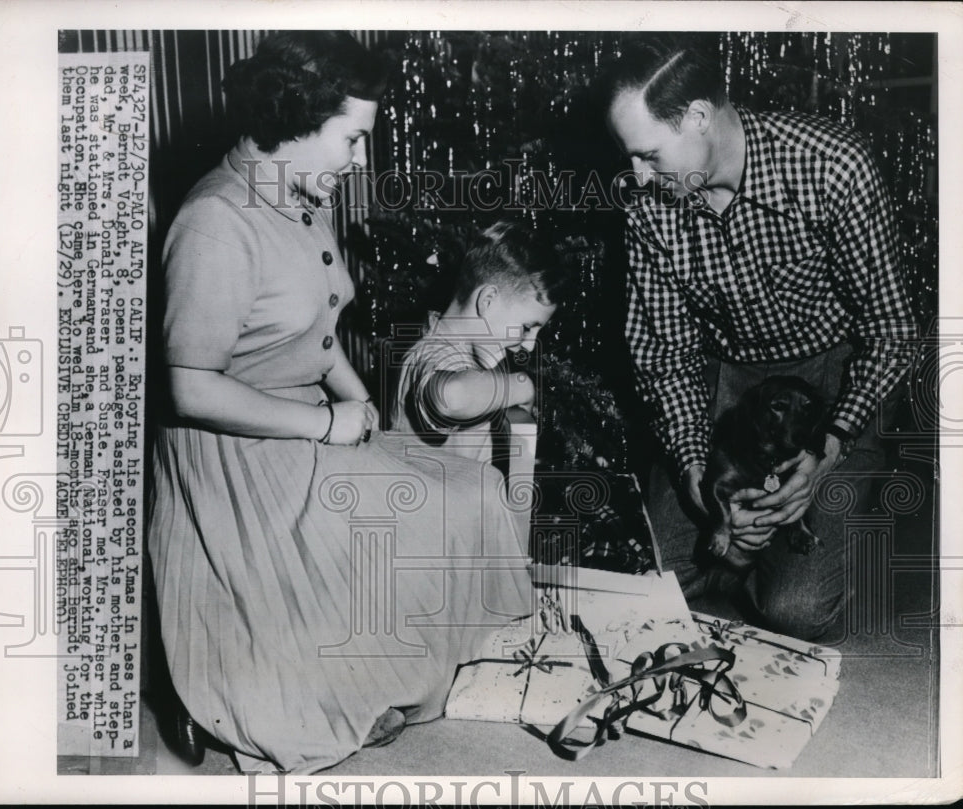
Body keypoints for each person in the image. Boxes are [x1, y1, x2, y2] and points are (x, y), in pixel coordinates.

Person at [147, 31, 531, 775]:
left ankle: (405, 667)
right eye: (352, 139)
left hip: (301, 421)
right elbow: (189, 386)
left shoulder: (293, 193)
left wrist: (362, 407)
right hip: (234, 453)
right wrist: (328, 424)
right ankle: (200, 684)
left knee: (466, 487)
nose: (359, 160)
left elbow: (318, 338)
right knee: (398, 508)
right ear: (295, 119)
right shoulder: (213, 225)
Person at [597, 35, 917, 641]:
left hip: (834, 381)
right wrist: (698, 474)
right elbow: (665, 356)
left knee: (795, 612)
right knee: (644, 580)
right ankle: (745, 553)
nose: (636, 179)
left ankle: (802, 539)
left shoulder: (832, 164)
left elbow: (893, 332)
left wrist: (827, 452)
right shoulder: (646, 207)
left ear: (696, 118)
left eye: (648, 156)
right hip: (730, 385)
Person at [390, 221, 566, 462]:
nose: (530, 345)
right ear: (488, 300)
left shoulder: (467, 353)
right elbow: (450, 396)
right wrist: (522, 386)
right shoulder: (433, 353)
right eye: (526, 328)